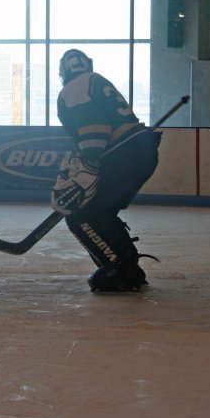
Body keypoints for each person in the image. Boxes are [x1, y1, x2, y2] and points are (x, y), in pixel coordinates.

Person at [53, 49, 161, 293]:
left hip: (124, 155)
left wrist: (89, 163)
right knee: (101, 211)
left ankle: (118, 269)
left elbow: (95, 127)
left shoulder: (72, 89)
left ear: (62, 70)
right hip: (141, 152)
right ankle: (128, 266)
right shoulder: (96, 80)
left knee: (80, 215)